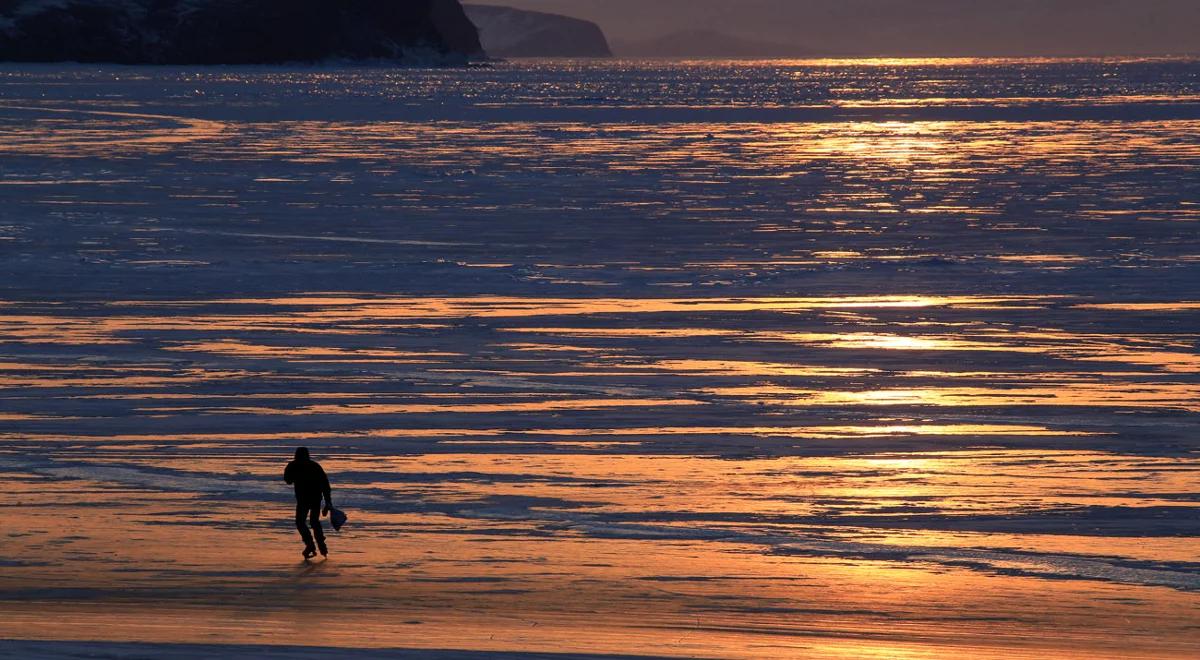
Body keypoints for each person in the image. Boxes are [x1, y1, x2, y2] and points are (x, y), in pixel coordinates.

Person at [284, 447, 333, 559]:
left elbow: (288, 480)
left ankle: (310, 544)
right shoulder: (315, 466)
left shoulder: (294, 465)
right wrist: (328, 502)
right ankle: (321, 546)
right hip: (315, 498)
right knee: (314, 521)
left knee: (301, 522)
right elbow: (325, 485)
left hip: (303, 499)